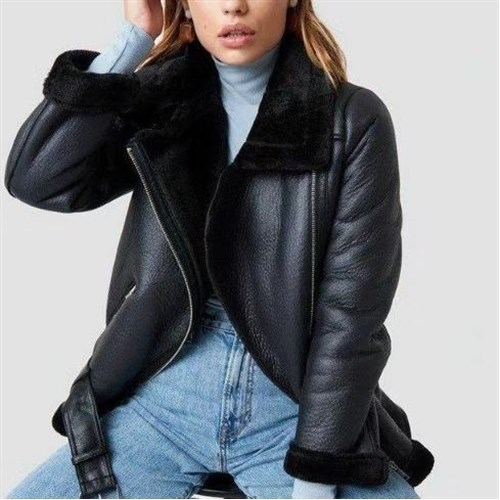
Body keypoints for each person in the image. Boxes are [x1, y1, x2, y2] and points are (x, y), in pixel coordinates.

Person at [4, 0, 434, 498]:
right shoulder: (162, 101)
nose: (234, 6)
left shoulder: (352, 120)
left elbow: (351, 317)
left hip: (293, 405)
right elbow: (37, 179)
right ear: (185, 5)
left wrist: (317, 472)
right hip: (165, 397)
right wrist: (134, 39)